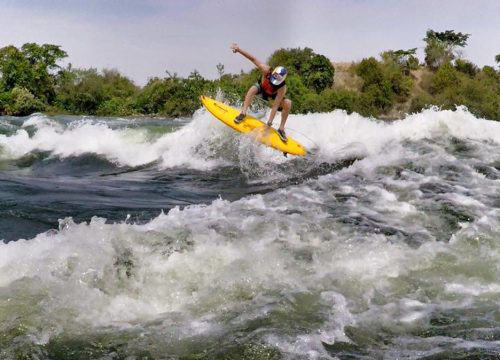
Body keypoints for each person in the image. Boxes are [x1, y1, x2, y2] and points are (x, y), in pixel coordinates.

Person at [230, 43, 291, 142]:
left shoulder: (282, 88)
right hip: (261, 89)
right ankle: (243, 113)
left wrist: (269, 124)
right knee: (252, 89)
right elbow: (252, 58)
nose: (273, 82)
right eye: (273, 78)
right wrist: (239, 49)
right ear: (272, 72)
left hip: (272, 95)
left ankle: (281, 129)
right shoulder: (265, 69)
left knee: (288, 103)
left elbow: (275, 106)